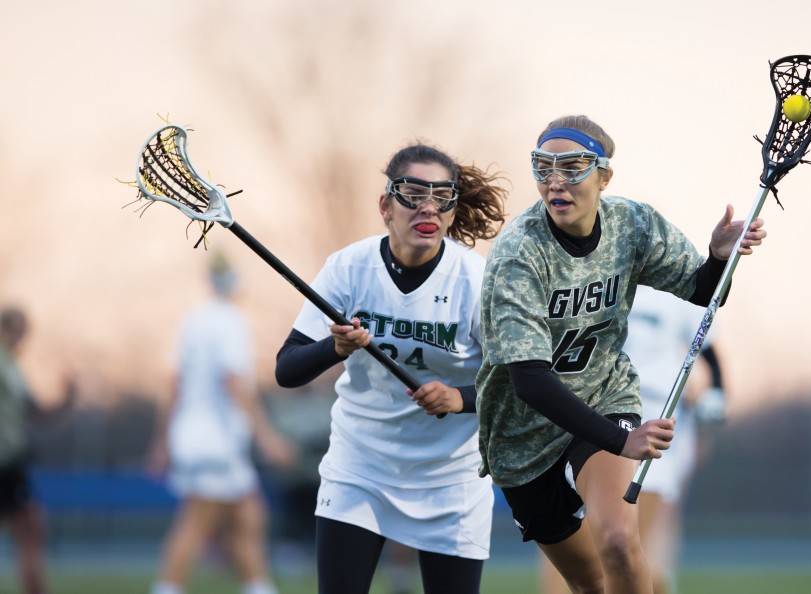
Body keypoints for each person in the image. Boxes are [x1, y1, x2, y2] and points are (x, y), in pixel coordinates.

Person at [476, 114, 766, 594]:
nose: (555, 182)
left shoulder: (631, 224)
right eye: (543, 168)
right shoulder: (518, 253)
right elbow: (528, 380)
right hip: (522, 431)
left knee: (616, 539)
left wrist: (718, 259)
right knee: (587, 580)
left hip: (603, 396)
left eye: (572, 168)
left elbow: (702, 290)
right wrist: (619, 439)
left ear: (604, 176)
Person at [274, 142, 507, 594]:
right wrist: (335, 348)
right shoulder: (348, 267)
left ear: (453, 213)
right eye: (413, 193)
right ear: (385, 205)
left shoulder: (476, 281)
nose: (428, 207)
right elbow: (287, 369)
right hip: (359, 467)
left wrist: (461, 399)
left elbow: (520, 383)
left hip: (451, 478)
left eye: (442, 197)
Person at [539, 286, 729, 594]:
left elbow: (709, 349)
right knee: (569, 539)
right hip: (592, 412)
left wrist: (716, 392)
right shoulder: (594, 277)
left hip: (656, 415)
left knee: (628, 545)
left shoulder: (678, 287)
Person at [148, 255, 296, 594]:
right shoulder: (232, 322)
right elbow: (233, 381)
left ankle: (258, 586)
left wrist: (163, 440)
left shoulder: (192, 321)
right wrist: (267, 436)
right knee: (197, 522)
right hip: (217, 439)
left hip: (192, 436)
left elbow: (174, 384)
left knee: (249, 517)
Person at [0, 305, 75, 594]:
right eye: (17, 331)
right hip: (5, 463)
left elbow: (36, 412)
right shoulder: (5, 366)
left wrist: (66, 400)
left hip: (12, 463)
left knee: (31, 530)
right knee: (31, 532)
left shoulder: (13, 369)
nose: (21, 339)